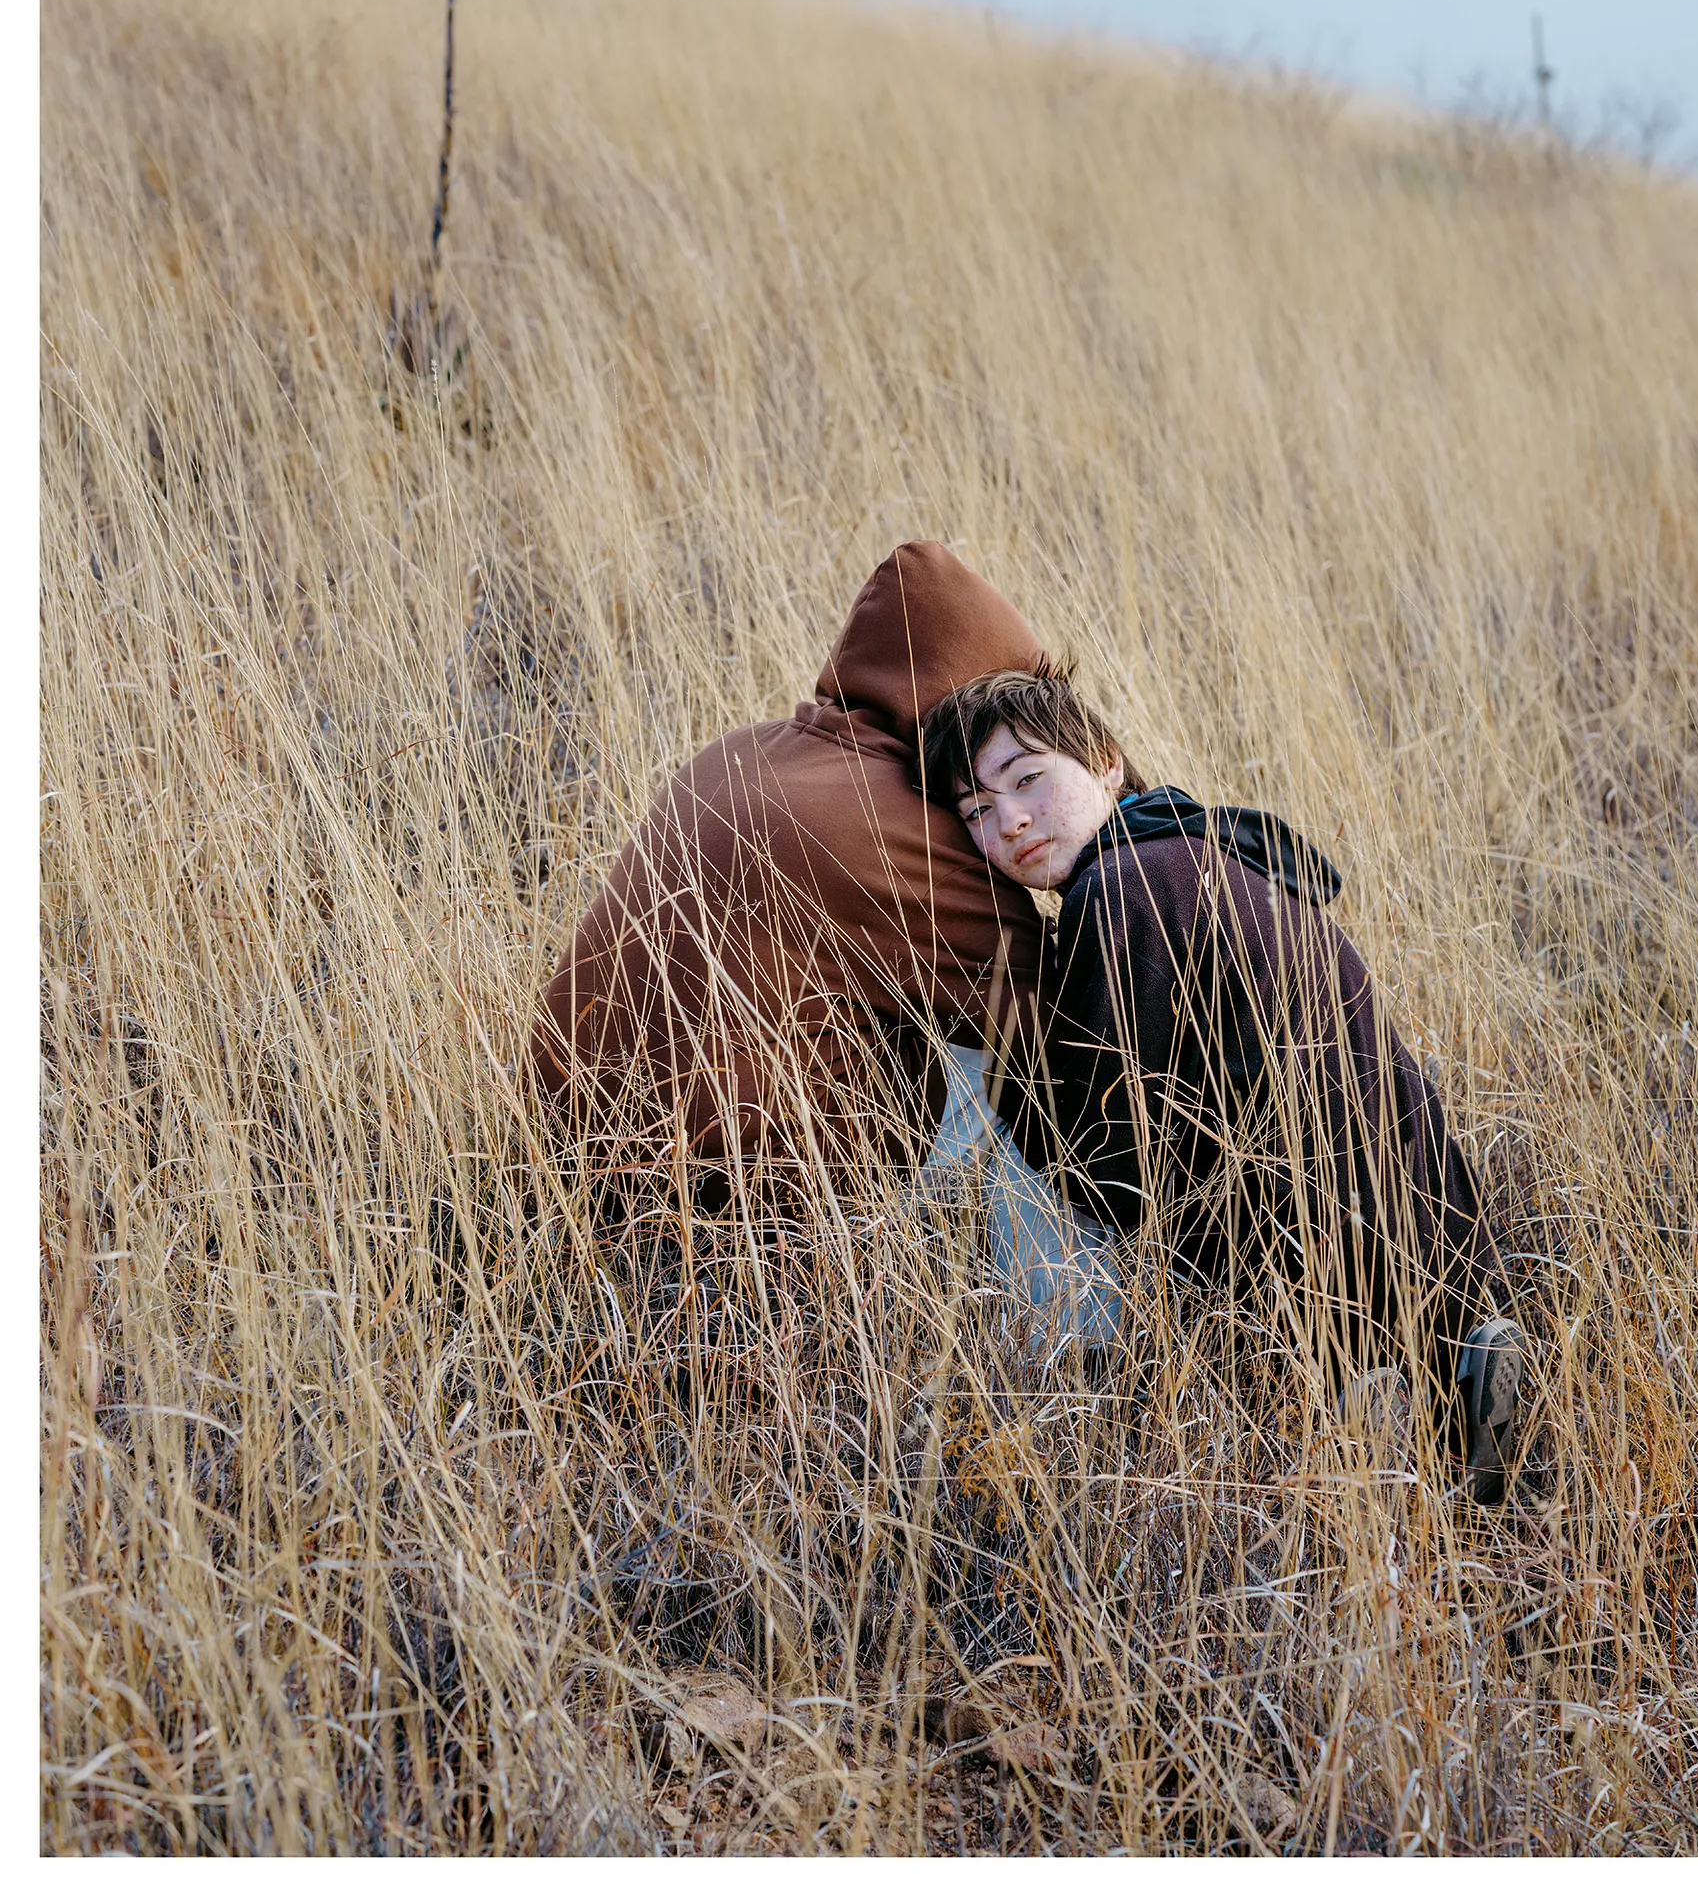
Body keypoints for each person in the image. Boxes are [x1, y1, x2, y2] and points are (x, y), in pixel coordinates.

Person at [916, 664, 1530, 1504]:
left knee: (993, 1104)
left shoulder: (1122, 888)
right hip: (1430, 1215)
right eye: (978, 813)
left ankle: (1366, 1398)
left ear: (1103, 761)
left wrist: (1013, 1070)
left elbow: (1109, 1162)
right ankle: (1442, 1371)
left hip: (1316, 1253)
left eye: (1028, 780)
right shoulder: (1207, 848)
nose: (1011, 821)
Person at [535, 541, 1058, 1202]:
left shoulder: (738, 746)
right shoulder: (909, 832)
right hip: (723, 1200)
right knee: (986, 1069)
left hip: (555, 1137)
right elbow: (1063, 1028)